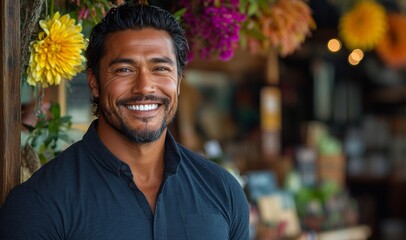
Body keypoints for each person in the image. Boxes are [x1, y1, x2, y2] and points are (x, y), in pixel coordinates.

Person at [0, 3, 249, 239]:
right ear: (94, 82)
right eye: (124, 70)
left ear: (179, 82)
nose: (144, 87)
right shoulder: (40, 203)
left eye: (161, 68)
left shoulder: (222, 190)